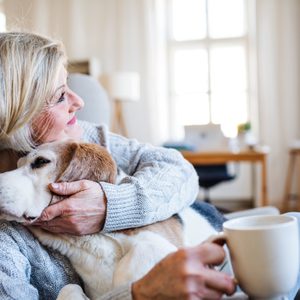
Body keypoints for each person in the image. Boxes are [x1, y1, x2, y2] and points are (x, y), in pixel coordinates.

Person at [0, 31, 295, 300]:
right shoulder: (8, 224)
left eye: (70, 87)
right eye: (60, 95)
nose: (79, 102)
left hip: (201, 242)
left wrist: (109, 205)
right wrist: (141, 293)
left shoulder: (85, 136)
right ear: (16, 115)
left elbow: (180, 171)